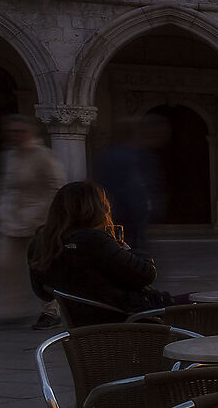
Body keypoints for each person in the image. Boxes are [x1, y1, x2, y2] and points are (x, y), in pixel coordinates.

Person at [29, 181, 170, 320]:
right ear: (95, 208)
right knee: (190, 304)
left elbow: (43, 293)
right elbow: (146, 274)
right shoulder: (95, 241)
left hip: (82, 327)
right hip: (126, 323)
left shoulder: (39, 244)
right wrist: (129, 251)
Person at [0, 117, 66, 327]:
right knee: (5, 264)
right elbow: (8, 186)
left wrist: (48, 217)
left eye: (19, 131)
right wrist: (1, 207)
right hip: (12, 220)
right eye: (11, 131)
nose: (14, 136)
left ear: (30, 132)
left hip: (38, 221)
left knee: (40, 267)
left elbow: (57, 186)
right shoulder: (9, 156)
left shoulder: (44, 156)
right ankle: (11, 310)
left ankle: (51, 312)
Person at [95, 114, 168, 253]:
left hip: (111, 214)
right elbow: (134, 189)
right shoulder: (134, 156)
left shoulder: (105, 155)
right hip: (129, 216)